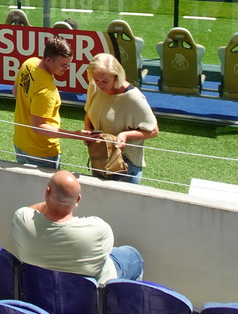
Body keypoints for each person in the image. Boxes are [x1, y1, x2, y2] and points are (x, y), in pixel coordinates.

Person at [11, 170, 144, 283]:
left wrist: (52, 201)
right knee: (133, 256)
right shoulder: (98, 229)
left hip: (42, 291)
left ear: (47, 192)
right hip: (89, 299)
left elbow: (28, 211)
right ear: (78, 199)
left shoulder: (21, 220)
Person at [83, 53, 158, 185]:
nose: (100, 84)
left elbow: (153, 131)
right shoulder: (94, 86)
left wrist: (125, 135)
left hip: (125, 166)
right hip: (98, 159)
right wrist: (88, 130)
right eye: (96, 79)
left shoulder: (133, 97)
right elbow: (89, 112)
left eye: (105, 81)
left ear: (116, 76)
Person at [13, 36, 87, 170]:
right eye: (63, 65)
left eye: (69, 64)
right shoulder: (47, 91)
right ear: (48, 60)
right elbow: (38, 126)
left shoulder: (29, 63)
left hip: (20, 143)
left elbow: (15, 91)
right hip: (42, 153)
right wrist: (75, 134)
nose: (67, 68)